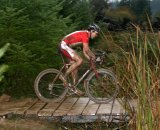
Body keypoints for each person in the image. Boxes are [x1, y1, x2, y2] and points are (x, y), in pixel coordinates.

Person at [59, 23, 100, 96]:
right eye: (96, 33)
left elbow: (85, 51)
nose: (96, 36)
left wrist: (90, 59)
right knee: (80, 60)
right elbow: (87, 50)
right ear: (92, 31)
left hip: (66, 45)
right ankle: (63, 76)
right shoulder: (85, 35)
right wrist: (94, 57)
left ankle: (73, 88)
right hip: (64, 45)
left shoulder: (85, 36)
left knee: (75, 67)